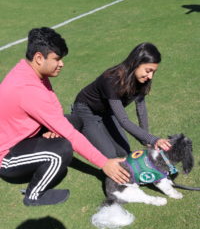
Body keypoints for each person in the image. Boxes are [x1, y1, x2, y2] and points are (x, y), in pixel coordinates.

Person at [0, 27, 130, 207]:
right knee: (61, 150)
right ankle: (34, 195)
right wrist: (104, 163)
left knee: (75, 120)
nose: (61, 64)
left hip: (25, 137)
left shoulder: (33, 72)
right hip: (7, 156)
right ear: (39, 58)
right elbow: (69, 134)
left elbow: (54, 106)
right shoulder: (27, 89)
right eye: (57, 59)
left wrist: (48, 129)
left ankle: (44, 146)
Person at [72, 42, 171, 162]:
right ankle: (81, 128)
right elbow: (123, 120)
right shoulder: (112, 79)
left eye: (153, 72)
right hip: (86, 111)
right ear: (136, 63)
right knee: (111, 156)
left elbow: (141, 109)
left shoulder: (142, 80)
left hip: (107, 111)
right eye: (148, 70)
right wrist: (153, 139)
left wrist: (146, 140)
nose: (150, 76)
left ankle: (95, 131)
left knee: (123, 152)